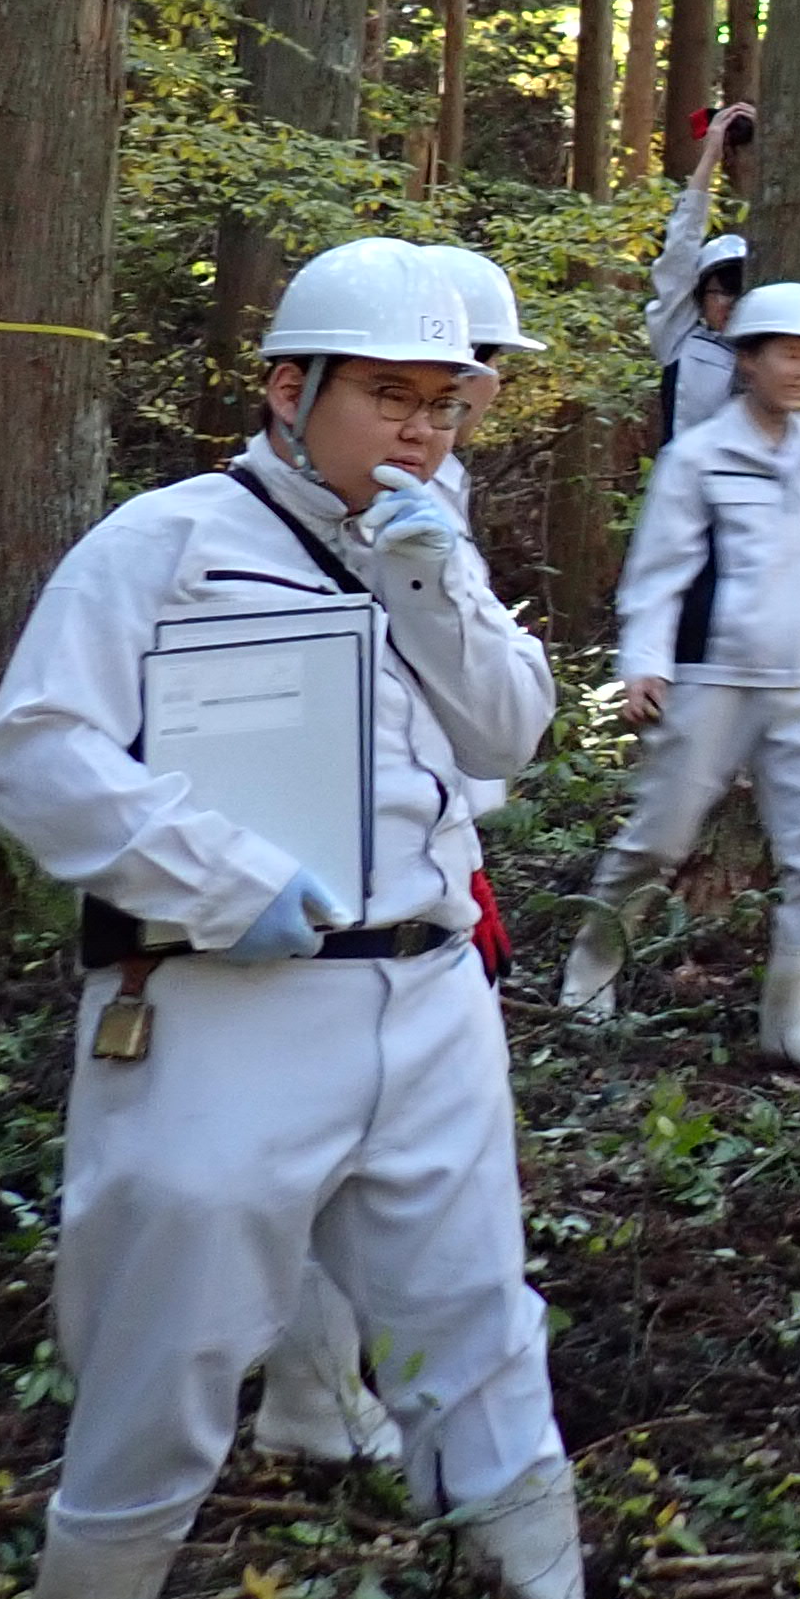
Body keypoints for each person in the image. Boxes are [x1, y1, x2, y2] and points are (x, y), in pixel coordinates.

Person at [0, 238, 614, 1599]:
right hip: (224, 1004)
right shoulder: (161, 544)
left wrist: (434, 574)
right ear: (288, 388)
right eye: (390, 398)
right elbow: (38, 754)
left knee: (478, 1324)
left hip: (432, 992)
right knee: (162, 1346)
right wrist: (217, 873)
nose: (423, 431)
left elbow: (514, 726)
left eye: (447, 404)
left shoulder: (437, 544)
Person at [245, 240, 553, 1474]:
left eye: (469, 384)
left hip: (426, 851)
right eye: (436, 385)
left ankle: (347, 1390)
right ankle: (310, 1394)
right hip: (324, 867)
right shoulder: (242, 520)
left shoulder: (440, 489)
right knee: (314, 1144)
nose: (463, 403)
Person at [562, 279, 800, 1078]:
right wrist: (644, 665)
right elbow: (658, 572)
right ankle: (585, 983)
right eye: (788, 355)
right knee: (657, 839)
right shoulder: (697, 456)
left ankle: (790, 1025)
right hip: (714, 677)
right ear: (749, 360)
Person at [647, 104, 756, 446]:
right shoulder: (679, 337)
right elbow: (680, 249)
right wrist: (710, 155)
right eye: (721, 291)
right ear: (700, 295)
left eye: (739, 293)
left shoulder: (768, 347)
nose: (730, 304)